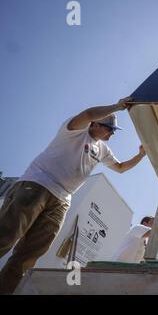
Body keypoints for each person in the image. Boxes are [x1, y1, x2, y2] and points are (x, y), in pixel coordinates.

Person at [0, 97, 147, 294]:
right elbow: (86, 114)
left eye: (113, 130)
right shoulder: (74, 131)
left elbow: (120, 168)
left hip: (61, 200)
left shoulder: (102, 150)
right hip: (37, 185)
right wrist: (117, 107)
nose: (112, 133)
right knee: (6, 236)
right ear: (95, 124)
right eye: (108, 128)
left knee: (29, 255)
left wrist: (140, 155)